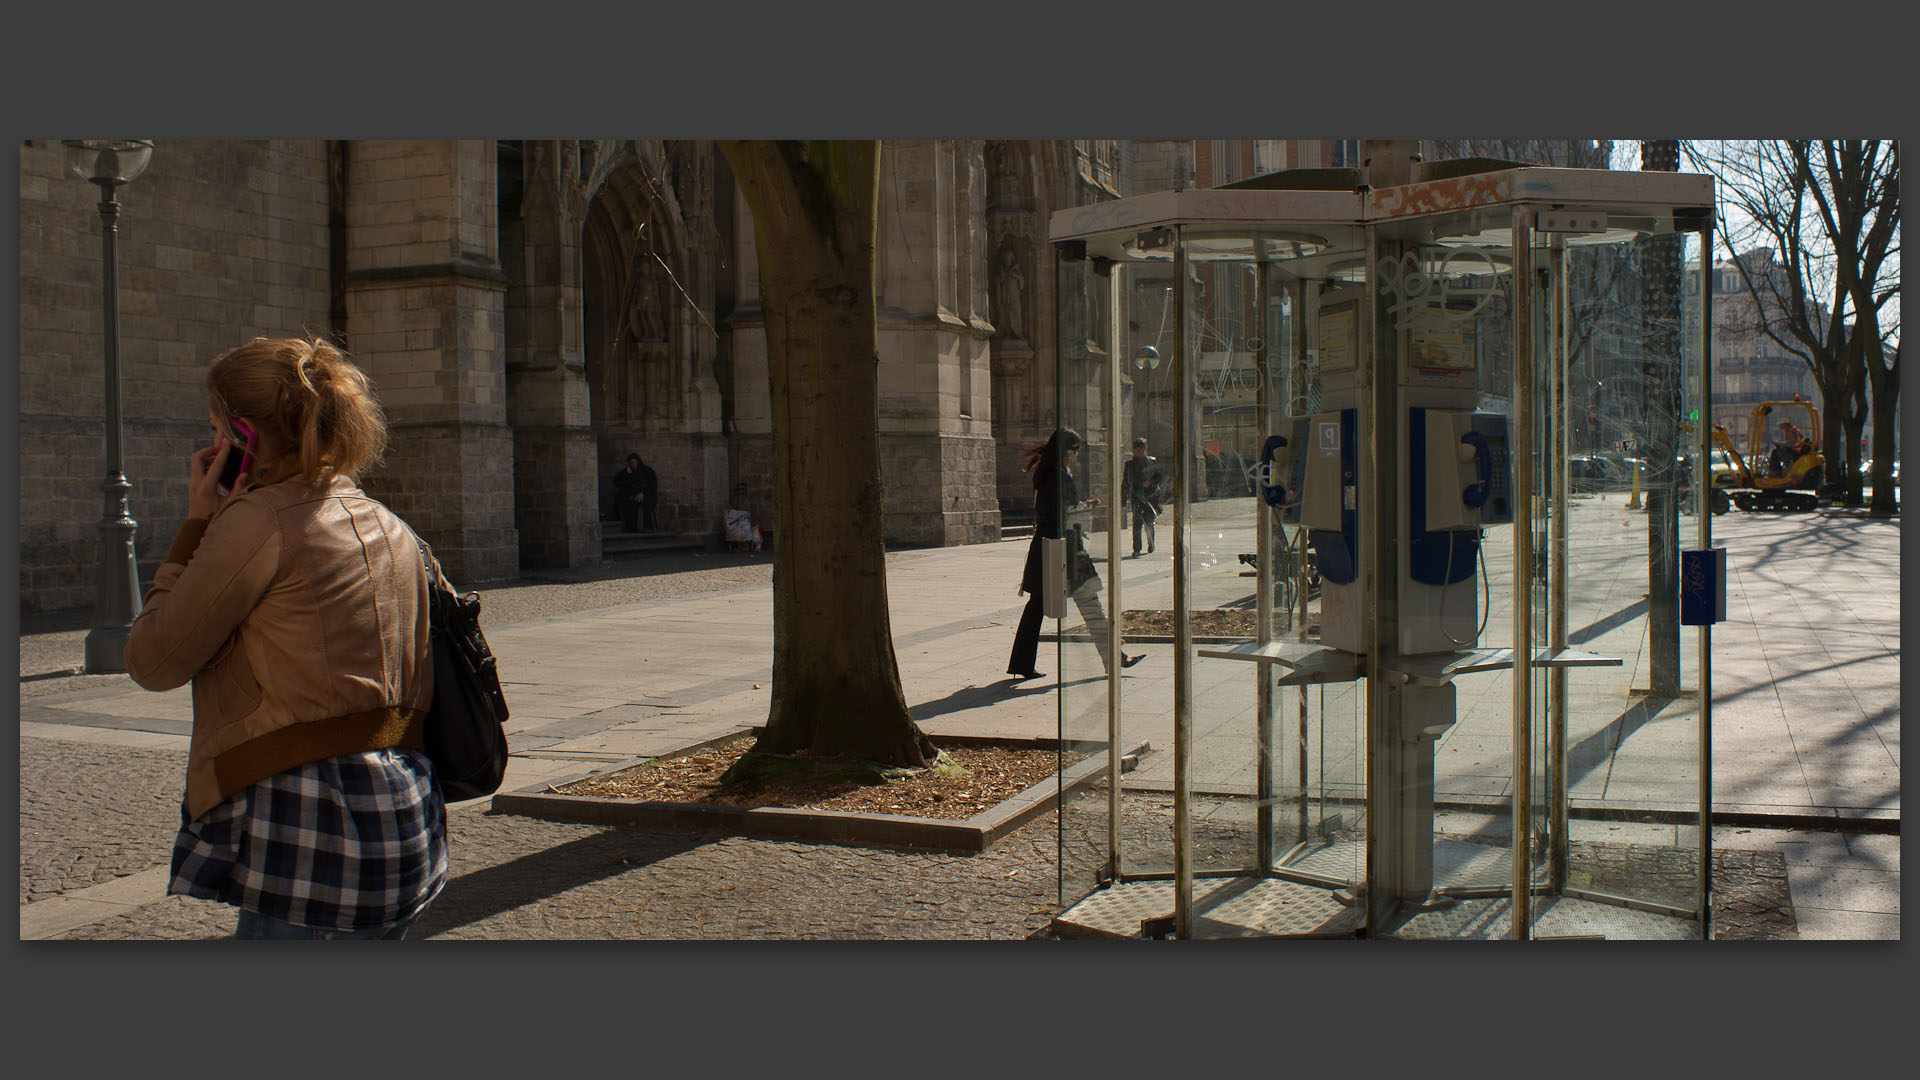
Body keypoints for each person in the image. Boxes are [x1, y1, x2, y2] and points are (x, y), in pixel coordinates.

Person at [125, 336, 447, 940]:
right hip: (404, 807)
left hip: (310, 816)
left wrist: (197, 522)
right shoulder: (391, 524)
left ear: (241, 437)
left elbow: (153, 660)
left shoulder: (257, 520)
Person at [1007, 428, 1143, 680]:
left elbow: (1054, 509)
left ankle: (1021, 664)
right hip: (1065, 548)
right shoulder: (1059, 474)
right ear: (1068, 452)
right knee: (1090, 603)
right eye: (1075, 451)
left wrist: (1079, 506)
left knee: (1037, 606)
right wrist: (1084, 507)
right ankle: (1115, 658)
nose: (1076, 456)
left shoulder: (1047, 472)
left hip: (1048, 547)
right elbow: (1062, 512)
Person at [1122, 436, 1163, 557]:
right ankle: (1137, 548)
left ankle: (1151, 543)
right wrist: (1123, 501)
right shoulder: (1129, 465)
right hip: (1136, 496)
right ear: (1134, 450)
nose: (1140, 452)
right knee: (1137, 522)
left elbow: (1159, 477)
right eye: (1138, 450)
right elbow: (1125, 482)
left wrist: (1150, 482)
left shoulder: (1152, 461)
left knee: (1149, 521)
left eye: (1142, 449)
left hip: (1150, 496)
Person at [612, 453, 659, 531]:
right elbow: (617, 481)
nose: (634, 465)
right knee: (621, 501)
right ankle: (630, 527)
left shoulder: (647, 471)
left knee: (642, 506)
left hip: (647, 496)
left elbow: (653, 486)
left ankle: (646, 527)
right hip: (633, 496)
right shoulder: (628, 472)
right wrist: (626, 473)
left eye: (635, 462)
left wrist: (643, 494)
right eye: (631, 463)